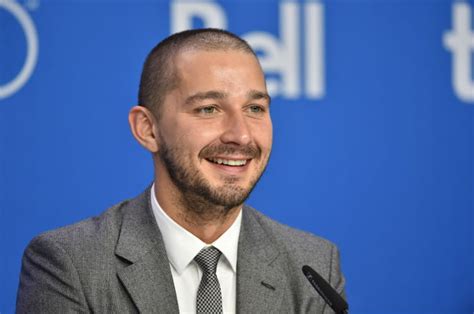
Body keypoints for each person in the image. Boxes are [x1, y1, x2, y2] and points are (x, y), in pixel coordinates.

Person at [16, 28, 345, 313]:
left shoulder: (313, 264)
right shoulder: (70, 263)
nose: (241, 135)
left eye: (255, 108)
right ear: (148, 129)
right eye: (208, 108)